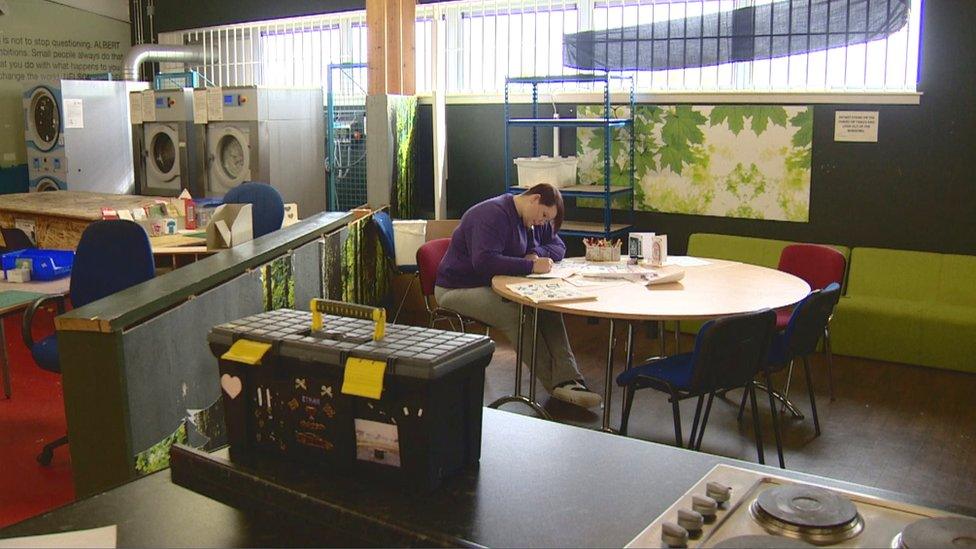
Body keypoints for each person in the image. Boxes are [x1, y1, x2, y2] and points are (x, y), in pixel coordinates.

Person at [434, 183, 601, 408]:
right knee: (514, 313)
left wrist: (535, 253)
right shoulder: (491, 215)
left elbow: (558, 246)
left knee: (546, 305)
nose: (542, 222)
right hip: (457, 288)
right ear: (534, 199)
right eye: (543, 215)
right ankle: (555, 384)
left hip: (494, 285)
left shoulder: (532, 219)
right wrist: (529, 266)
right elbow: (483, 263)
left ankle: (570, 377)